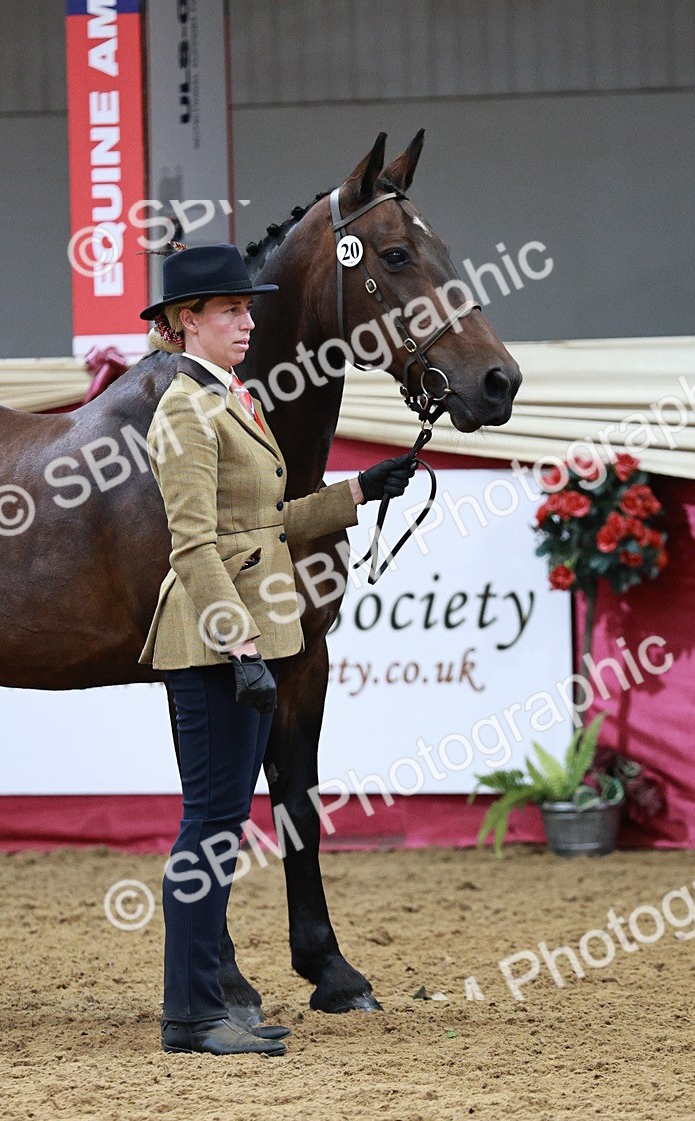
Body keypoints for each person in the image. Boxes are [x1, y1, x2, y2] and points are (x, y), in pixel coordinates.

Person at [137, 243, 417, 1056]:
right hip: (217, 646)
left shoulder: (234, 400)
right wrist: (241, 646)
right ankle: (191, 1014)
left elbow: (266, 526)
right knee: (210, 829)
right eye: (230, 311)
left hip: (249, 641)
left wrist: (359, 492)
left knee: (222, 826)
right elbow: (192, 547)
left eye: (248, 309)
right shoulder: (185, 412)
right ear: (186, 322)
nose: (247, 322)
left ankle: (207, 1006)